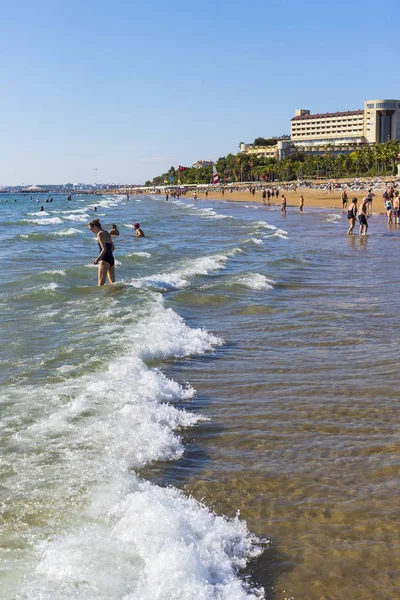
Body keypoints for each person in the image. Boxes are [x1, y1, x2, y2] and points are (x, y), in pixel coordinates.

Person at [88, 218, 115, 286]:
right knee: (112, 283)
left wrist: (97, 259)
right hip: (111, 259)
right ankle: (114, 296)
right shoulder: (107, 233)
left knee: (100, 284)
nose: (91, 231)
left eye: (90, 229)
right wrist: (108, 254)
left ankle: (100, 297)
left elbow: (104, 249)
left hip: (104, 259)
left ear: (94, 226)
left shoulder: (99, 234)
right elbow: (113, 248)